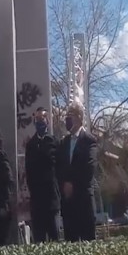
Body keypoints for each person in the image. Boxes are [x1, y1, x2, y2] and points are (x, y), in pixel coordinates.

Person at [56, 101, 97, 242]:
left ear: (79, 117)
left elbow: (88, 167)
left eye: (70, 115)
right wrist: (64, 184)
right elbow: (59, 167)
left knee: (88, 244)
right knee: (70, 245)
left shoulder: (89, 140)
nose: (67, 119)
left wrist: (72, 184)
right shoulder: (63, 143)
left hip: (83, 201)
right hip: (68, 204)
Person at [25, 107, 59, 242]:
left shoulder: (54, 142)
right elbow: (28, 170)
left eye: (42, 118)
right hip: (37, 200)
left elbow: (58, 167)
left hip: (51, 198)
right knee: (39, 239)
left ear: (48, 121)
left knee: (54, 238)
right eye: (37, 119)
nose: (40, 121)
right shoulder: (31, 145)